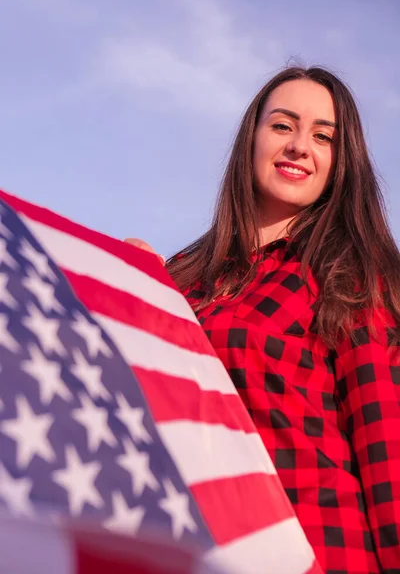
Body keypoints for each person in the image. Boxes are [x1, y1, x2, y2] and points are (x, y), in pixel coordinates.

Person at [126, 66, 400, 574]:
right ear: (250, 140)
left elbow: (388, 447)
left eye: (323, 136)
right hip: (196, 551)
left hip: (318, 550)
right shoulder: (185, 277)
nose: (300, 145)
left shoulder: (352, 274)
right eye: (282, 126)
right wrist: (129, 289)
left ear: (343, 161)